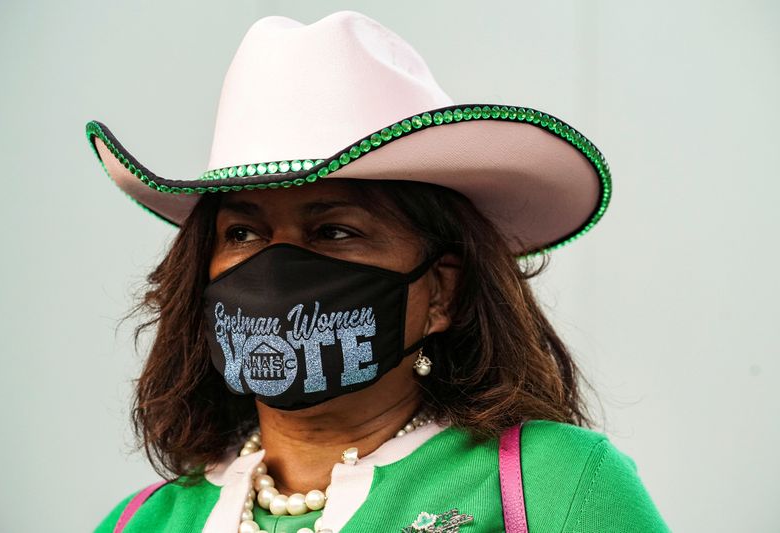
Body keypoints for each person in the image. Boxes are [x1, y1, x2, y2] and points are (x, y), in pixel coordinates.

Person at [88, 9, 669, 533]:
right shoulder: (142, 523)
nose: (274, 269)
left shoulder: (552, 485)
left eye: (334, 231)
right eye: (243, 234)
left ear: (442, 291)